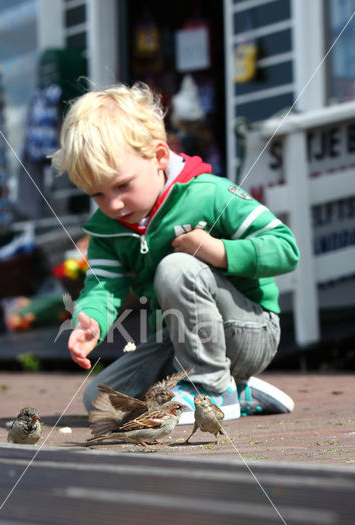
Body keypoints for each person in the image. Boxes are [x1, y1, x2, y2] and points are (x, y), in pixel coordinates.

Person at [51, 83, 300, 424]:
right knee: (102, 403)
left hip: (249, 331)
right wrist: (91, 318)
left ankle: (211, 390)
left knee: (176, 268)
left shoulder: (209, 194)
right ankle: (237, 391)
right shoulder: (108, 228)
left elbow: (285, 248)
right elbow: (104, 285)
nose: (114, 204)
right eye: (97, 194)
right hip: (180, 337)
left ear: (159, 157)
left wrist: (216, 250)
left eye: (123, 185)